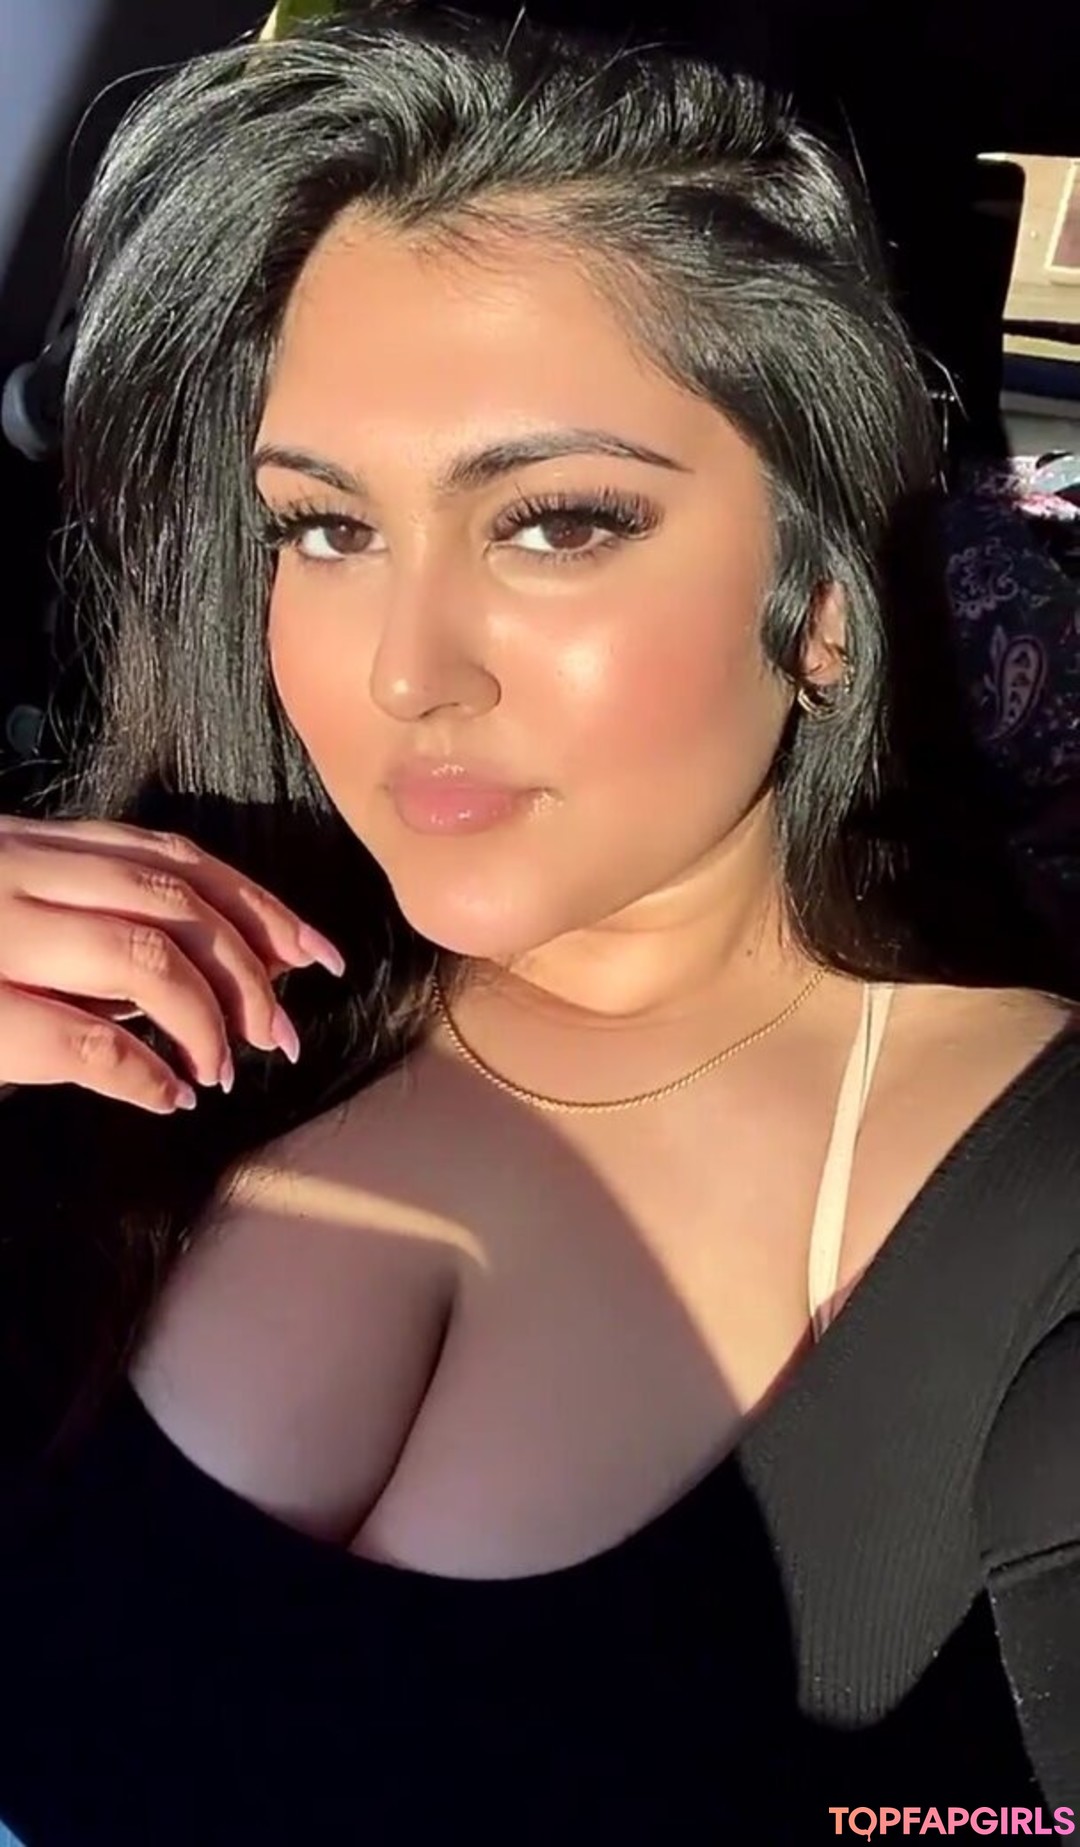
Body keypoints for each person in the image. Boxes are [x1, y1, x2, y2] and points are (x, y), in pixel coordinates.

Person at [0, 6, 1077, 1843]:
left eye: (557, 525)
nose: (403, 673)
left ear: (823, 604)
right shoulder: (126, 982)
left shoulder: (1033, 1208)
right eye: (326, 530)